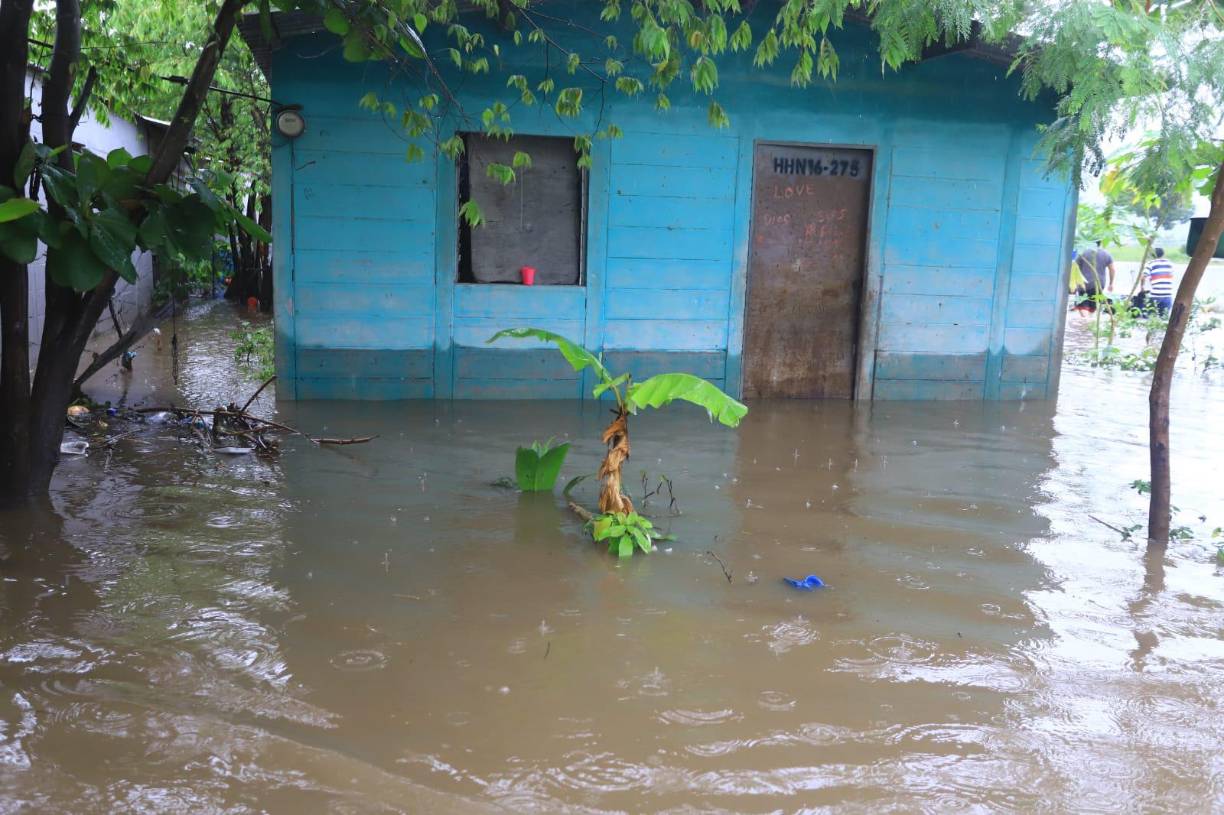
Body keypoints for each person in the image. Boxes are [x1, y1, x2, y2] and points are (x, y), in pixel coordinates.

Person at [1072, 241, 1116, 312]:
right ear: (1100, 243)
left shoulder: (1083, 252)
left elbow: (1075, 268)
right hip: (1099, 283)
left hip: (1083, 283)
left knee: (1082, 305)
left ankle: (1085, 319)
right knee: (1093, 305)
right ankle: (1090, 319)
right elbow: (1112, 270)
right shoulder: (1106, 254)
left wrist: (1074, 283)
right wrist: (1111, 284)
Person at [1142, 247, 1175, 316]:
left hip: (1155, 295)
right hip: (1168, 295)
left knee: (1151, 317)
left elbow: (1143, 277)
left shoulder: (1150, 263)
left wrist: (1142, 287)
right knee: (1164, 318)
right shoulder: (1170, 264)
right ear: (1163, 254)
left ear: (1152, 255)